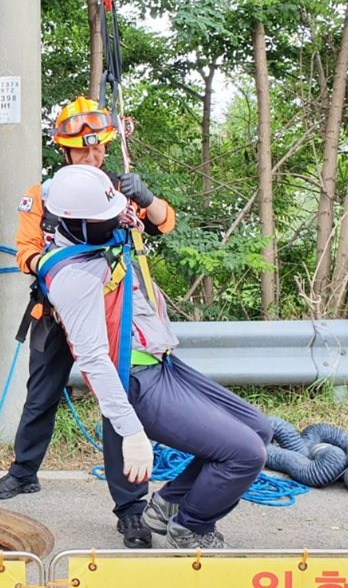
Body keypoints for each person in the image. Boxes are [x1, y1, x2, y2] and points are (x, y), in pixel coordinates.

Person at [38, 164, 273, 549]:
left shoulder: (95, 237)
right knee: (245, 455)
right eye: (103, 219)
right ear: (72, 223)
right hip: (138, 381)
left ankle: (168, 504)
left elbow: (158, 222)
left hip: (161, 362)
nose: (112, 223)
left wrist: (143, 200)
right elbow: (94, 361)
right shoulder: (74, 277)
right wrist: (131, 432)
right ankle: (191, 527)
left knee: (260, 430)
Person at [0, 96, 175, 548]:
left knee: (116, 399)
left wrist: (145, 199)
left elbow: (164, 224)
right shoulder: (43, 195)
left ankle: (130, 509)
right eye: (83, 151)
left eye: (99, 150)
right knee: (40, 395)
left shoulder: (119, 190)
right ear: (66, 151)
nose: (93, 157)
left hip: (113, 311)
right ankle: (24, 471)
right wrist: (63, 264)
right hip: (57, 309)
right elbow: (27, 252)